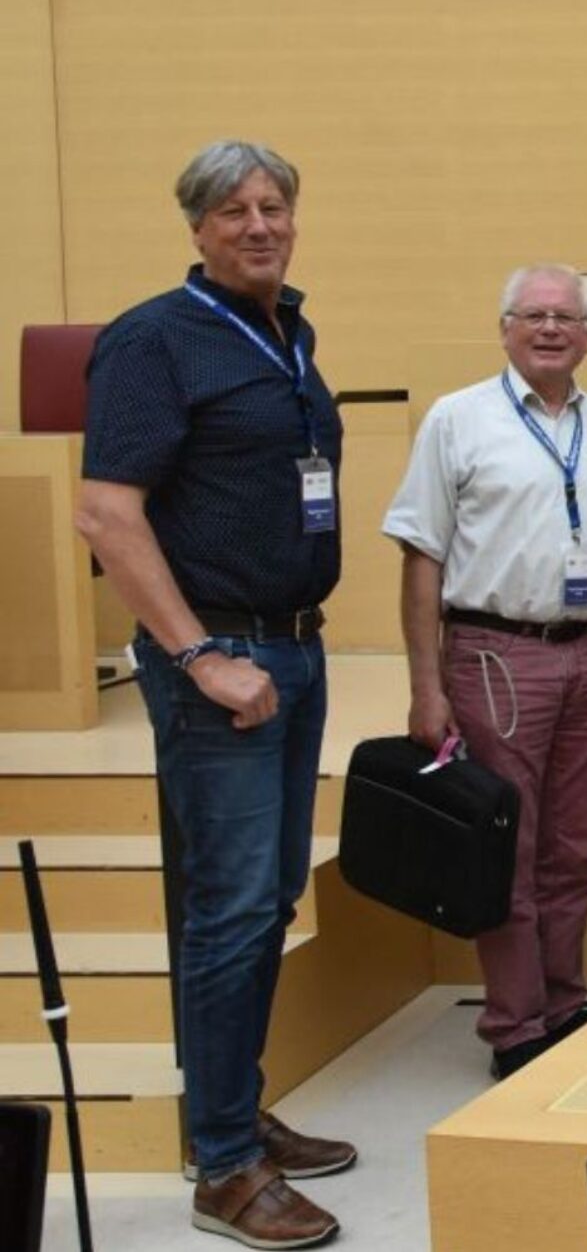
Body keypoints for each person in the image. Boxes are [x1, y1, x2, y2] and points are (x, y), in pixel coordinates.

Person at [76, 138, 357, 1250]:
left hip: (292, 650)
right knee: (230, 908)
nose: (258, 224)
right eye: (233, 210)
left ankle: (227, 1115)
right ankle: (225, 1168)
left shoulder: (288, 330)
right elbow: (106, 515)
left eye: (274, 204)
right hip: (221, 665)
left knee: (270, 897)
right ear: (195, 227)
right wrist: (198, 656)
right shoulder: (153, 340)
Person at [385, 263, 587, 1080]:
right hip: (495, 654)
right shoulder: (457, 419)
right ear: (504, 327)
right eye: (532, 315)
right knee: (509, 847)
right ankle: (515, 1026)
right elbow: (421, 555)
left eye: (566, 317)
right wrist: (426, 685)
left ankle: (565, 1004)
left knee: (577, 849)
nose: (550, 329)